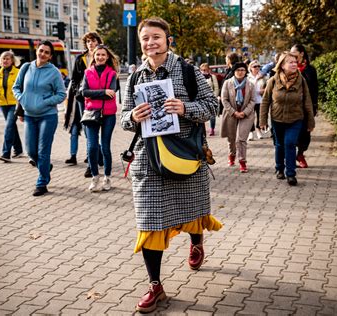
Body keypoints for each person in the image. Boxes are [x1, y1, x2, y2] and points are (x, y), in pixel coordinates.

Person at [120, 17, 222, 313]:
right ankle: (156, 286)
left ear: (168, 40)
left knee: (193, 212)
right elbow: (124, 116)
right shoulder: (135, 76)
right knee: (150, 222)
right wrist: (133, 118)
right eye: (145, 39)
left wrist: (185, 108)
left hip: (186, 154)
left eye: (156, 37)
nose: (151, 43)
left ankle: (197, 243)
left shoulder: (187, 71)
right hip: (148, 160)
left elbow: (214, 106)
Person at [12, 40, 66, 196]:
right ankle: (45, 167)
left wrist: (44, 102)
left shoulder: (54, 72)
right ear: (36, 51)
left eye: (46, 52)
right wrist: (22, 98)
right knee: (31, 151)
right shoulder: (26, 67)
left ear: (50, 56)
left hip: (48, 116)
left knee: (43, 151)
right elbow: (16, 87)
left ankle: (42, 182)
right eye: (41, 50)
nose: (43, 54)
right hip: (29, 116)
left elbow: (61, 94)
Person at [260, 51, 315, 186]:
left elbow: (307, 101)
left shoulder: (301, 80)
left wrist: (310, 121)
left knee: (290, 144)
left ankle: (291, 174)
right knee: (279, 144)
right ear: (282, 65)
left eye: (295, 62)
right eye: (290, 62)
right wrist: (262, 121)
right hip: (277, 119)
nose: (294, 64)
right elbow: (265, 101)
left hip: (296, 118)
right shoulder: (273, 80)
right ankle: (279, 168)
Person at [79, 44, 119, 192]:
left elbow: (112, 92)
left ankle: (107, 177)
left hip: (108, 114)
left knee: (106, 147)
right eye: (98, 55)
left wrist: (93, 93)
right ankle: (95, 177)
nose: (100, 57)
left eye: (103, 55)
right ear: (93, 56)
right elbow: (84, 92)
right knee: (92, 147)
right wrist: (103, 91)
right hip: (91, 113)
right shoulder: (87, 72)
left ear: (107, 57)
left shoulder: (112, 73)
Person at [64, 32, 103, 173]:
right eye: (87, 41)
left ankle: (100, 154)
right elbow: (74, 79)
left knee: (99, 131)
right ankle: (90, 164)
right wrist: (78, 92)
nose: (90, 43)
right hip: (83, 100)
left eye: (93, 41)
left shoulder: (103, 56)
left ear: (98, 42)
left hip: (100, 99)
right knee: (88, 131)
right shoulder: (80, 59)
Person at [0, 51, 23, 162]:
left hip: (15, 103)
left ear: (12, 61)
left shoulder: (18, 72)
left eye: (7, 59)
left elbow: (22, 89)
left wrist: (23, 106)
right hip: (3, 104)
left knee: (8, 126)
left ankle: (6, 153)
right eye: (3, 59)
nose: (5, 61)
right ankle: (18, 149)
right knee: (11, 126)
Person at [220, 62, 255, 172]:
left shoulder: (250, 84)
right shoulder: (227, 83)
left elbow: (253, 100)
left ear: (246, 72)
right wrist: (234, 112)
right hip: (231, 114)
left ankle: (242, 162)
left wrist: (244, 112)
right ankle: (232, 155)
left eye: (243, 70)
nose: (240, 72)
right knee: (231, 138)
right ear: (234, 72)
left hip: (246, 115)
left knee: (241, 139)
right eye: (238, 70)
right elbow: (224, 99)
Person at [291, 44, 319, 168]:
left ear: (301, 53)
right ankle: (290, 157)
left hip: (307, 106)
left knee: (306, 132)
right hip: (292, 106)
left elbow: (315, 89)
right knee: (292, 132)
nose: (292, 56)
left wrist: (314, 105)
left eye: (294, 53)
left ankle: (300, 154)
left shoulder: (310, 70)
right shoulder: (290, 68)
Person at [247, 60, 267, 140]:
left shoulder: (264, 76)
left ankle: (259, 131)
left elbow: (267, 87)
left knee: (260, 117)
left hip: (261, 100)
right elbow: (248, 88)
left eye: (259, 66)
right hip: (250, 100)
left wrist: (264, 90)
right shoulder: (247, 77)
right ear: (250, 68)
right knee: (250, 117)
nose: (257, 68)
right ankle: (251, 132)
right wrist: (256, 80)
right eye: (255, 66)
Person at [200, 63, 220, 136]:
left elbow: (216, 88)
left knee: (212, 115)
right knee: (202, 115)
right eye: (202, 70)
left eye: (205, 69)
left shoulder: (212, 77)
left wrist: (213, 97)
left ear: (208, 70)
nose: (204, 71)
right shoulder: (199, 77)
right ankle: (203, 130)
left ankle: (212, 129)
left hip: (211, 98)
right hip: (202, 99)